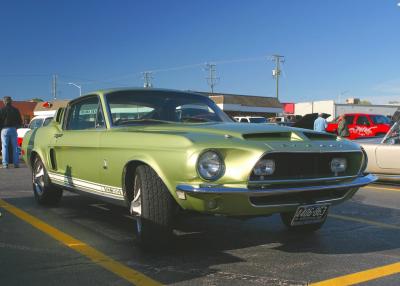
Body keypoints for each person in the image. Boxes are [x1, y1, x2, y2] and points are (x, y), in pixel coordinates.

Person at [0, 96, 22, 168]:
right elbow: (20, 121)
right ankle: (16, 163)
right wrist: (17, 126)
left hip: (4, 130)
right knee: (15, 146)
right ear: (11, 101)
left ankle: (5, 164)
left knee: (4, 146)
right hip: (13, 129)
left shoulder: (1, 110)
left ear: (4, 101)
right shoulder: (16, 110)